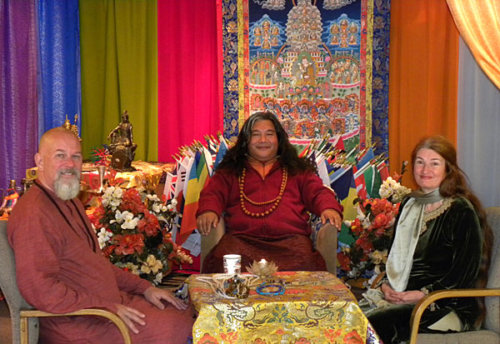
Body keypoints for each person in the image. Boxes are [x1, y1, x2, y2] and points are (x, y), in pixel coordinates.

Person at [8, 127, 194, 343]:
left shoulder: (68, 201)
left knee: (181, 309)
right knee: (178, 327)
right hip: (81, 322)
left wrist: (145, 288)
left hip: (107, 309)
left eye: (75, 156)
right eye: (60, 155)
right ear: (39, 161)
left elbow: (97, 265)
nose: (70, 164)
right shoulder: (34, 213)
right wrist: (105, 307)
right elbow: (41, 290)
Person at [365, 135, 493, 343]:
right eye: (420, 162)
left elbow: (464, 274)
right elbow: (395, 259)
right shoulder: (410, 204)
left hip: (445, 305)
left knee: (376, 324)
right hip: (403, 299)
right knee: (350, 315)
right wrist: (386, 287)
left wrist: (419, 295)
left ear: (448, 169)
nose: (426, 170)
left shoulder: (460, 210)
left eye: (434, 163)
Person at [196, 111, 343, 273]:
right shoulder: (231, 170)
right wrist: (209, 210)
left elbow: (318, 192)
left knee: (306, 266)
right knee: (222, 264)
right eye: (256, 135)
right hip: (241, 241)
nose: (263, 140)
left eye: (269, 134)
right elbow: (212, 193)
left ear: (279, 140)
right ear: (246, 141)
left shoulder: (296, 169)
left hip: (290, 243)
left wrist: (328, 207)